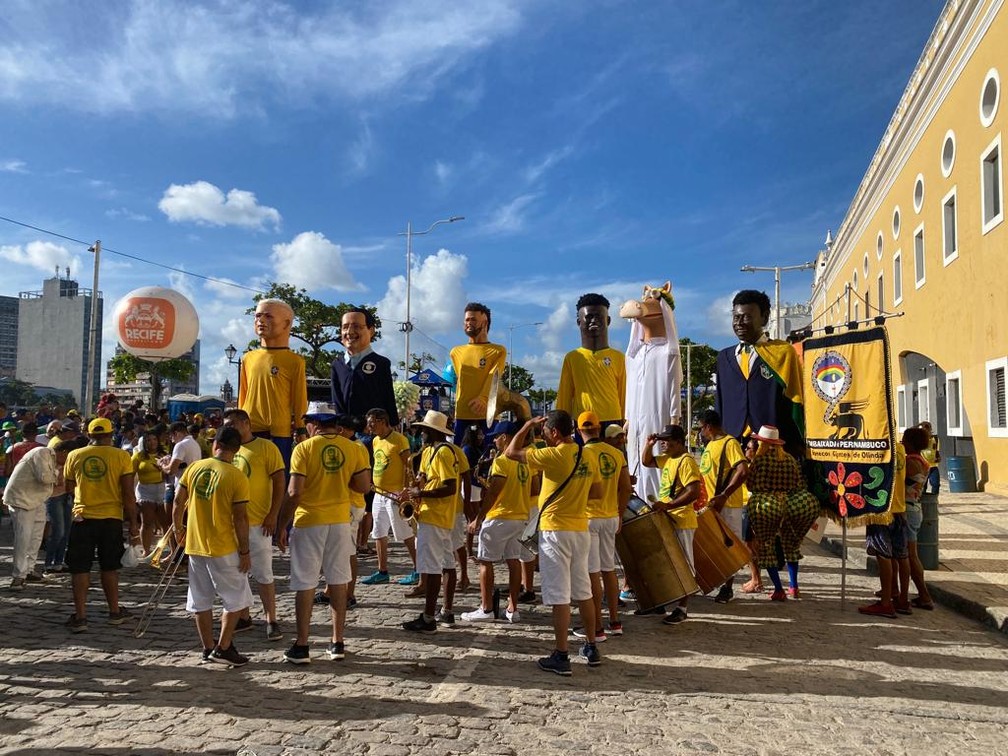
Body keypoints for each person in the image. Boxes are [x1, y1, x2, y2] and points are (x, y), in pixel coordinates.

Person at [505, 411, 602, 676]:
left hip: (556, 530)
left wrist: (526, 426)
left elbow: (511, 453)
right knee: (583, 591)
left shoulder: (554, 455)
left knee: (559, 595)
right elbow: (598, 492)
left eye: (546, 432)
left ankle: (561, 654)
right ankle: (591, 646)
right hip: (580, 528)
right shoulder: (587, 455)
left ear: (555, 432)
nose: (544, 436)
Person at [278, 403, 371, 664]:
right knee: (339, 582)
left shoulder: (303, 448)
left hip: (309, 521)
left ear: (313, 424)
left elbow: (295, 492)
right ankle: (337, 641)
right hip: (340, 520)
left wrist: (280, 525)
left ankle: (302, 644)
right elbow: (363, 486)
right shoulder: (354, 448)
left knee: (306, 583)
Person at [172, 425, 254, 665]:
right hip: (223, 545)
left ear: (215, 445)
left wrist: (178, 530)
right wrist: (245, 550)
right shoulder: (237, 476)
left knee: (200, 600)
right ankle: (224, 647)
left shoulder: (196, 468)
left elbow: (178, 502)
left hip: (195, 544)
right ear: (237, 450)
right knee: (237, 598)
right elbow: (240, 518)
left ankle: (207, 648)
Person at [63, 418, 141, 631]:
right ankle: (114, 611)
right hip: (111, 518)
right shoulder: (121, 456)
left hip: (82, 517)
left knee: (79, 568)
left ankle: (80, 617)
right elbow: (128, 493)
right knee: (110, 566)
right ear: (111, 433)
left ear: (89, 434)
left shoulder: (75, 455)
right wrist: (134, 524)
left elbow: (69, 487)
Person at [714, 290, 804, 458]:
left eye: (747, 317)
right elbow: (719, 401)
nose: (739, 323)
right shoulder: (724, 357)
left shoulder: (782, 353)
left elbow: (794, 399)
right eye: (736, 317)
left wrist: (795, 444)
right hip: (733, 442)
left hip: (772, 442)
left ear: (764, 318)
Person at [461, 420, 534, 624]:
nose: (494, 440)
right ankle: (513, 608)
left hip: (500, 516)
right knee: (513, 561)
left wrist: (479, 517)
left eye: (497, 436)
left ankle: (486, 608)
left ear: (506, 438)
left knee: (485, 561)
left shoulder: (502, 461)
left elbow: (494, 492)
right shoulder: (525, 462)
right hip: (519, 516)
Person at [224, 408, 286, 641]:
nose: (228, 427)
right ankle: (244, 616)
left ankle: (271, 619)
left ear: (245, 423)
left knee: (263, 574)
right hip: (230, 523)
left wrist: (273, 515)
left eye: (231, 423)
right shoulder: (226, 448)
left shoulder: (266, 448)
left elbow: (280, 482)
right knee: (236, 572)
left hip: (259, 522)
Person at [619, 283, 682, 502]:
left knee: (655, 461)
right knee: (636, 459)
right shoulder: (634, 353)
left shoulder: (668, 351)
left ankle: (658, 502)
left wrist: (675, 417)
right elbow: (630, 387)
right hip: (636, 419)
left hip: (659, 416)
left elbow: (674, 385)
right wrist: (628, 417)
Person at [573, 411, 630, 641]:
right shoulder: (616, 453)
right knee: (609, 570)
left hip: (588, 518)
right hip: (610, 516)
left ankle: (596, 626)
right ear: (598, 428)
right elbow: (625, 487)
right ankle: (615, 621)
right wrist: (619, 513)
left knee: (592, 573)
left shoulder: (581, 454)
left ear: (580, 431)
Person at [401, 410, 459, 633]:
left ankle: (428, 617)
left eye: (424, 429)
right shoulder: (429, 452)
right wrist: (412, 488)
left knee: (433, 568)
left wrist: (420, 495)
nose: (420, 432)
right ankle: (441, 612)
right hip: (433, 515)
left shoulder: (444, 452)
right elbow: (424, 478)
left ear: (433, 431)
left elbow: (450, 486)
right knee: (443, 564)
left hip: (436, 516)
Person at [641, 424, 701, 624]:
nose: (663, 443)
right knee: (669, 561)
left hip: (681, 518)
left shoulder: (685, 461)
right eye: (662, 439)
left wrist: (669, 505)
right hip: (669, 516)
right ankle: (665, 601)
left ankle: (682, 607)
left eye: (666, 440)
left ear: (677, 442)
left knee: (683, 563)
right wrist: (649, 444)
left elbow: (693, 491)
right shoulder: (669, 459)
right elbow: (646, 461)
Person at [239, 298, 309, 468]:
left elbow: (299, 399)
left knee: (277, 478)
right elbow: (243, 394)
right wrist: (238, 423)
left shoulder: (295, 361)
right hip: (250, 430)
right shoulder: (248, 358)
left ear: (286, 324)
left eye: (269, 316)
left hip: (279, 432)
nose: (260, 321)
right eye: (257, 316)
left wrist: (301, 429)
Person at [696, 409, 749, 603]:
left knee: (729, 546)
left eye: (701, 428)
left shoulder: (730, 443)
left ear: (708, 427)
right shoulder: (711, 445)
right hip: (712, 506)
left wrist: (724, 495)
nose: (700, 433)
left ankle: (727, 588)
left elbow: (743, 470)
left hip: (728, 505)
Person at [362, 408, 417, 585]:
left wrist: (406, 491)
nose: (369, 427)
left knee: (404, 533)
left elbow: (409, 468)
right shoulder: (376, 441)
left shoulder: (399, 440)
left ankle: (418, 569)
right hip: (379, 493)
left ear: (382, 421)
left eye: (372, 422)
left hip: (395, 495)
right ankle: (382, 570)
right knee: (378, 532)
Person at [5, 441, 71, 588]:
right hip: (21, 499)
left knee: (36, 537)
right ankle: (18, 575)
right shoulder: (42, 453)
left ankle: (29, 569)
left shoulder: (54, 461)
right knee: (24, 538)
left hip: (36, 500)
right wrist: (58, 474)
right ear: (65, 452)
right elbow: (45, 478)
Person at [744, 425, 797, 601]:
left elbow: (749, 484)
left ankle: (778, 589)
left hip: (765, 506)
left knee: (766, 549)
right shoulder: (789, 459)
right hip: (787, 504)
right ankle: (794, 586)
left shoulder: (760, 460)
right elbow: (796, 482)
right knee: (790, 547)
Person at [557, 293, 626, 427]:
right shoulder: (573, 357)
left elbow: (624, 393)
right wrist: (560, 424)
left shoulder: (619, 357)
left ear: (608, 320)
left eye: (599, 316)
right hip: (583, 422)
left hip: (613, 421)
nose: (594, 320)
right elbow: (565, 395)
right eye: (588, 317)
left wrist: (626, 420)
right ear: (579, 322)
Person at [859, 440, 911, 619]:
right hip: (899, 508)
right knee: (902, 555)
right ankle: (903, 599)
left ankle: (886, 602)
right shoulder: (900, 448)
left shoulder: (875, 447)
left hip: (880, 510)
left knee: (884, 556)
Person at [447, 303, 507, 445]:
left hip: (489, 413)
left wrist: (483, 398)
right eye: (466, 320)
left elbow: (494, 375)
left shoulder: (498, 351)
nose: (468, 323)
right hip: (462, 412)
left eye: (473, 319)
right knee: (459, 456)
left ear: (485, 321)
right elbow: (462, 379)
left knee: (489, 457)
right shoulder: (455, 352)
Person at [331, 307, 399, 425]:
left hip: (373, 433)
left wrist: (392, 426)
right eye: (345, 327)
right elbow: (336, 402)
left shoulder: (381, 364)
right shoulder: (337, 365)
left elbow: (388, 400)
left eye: (357, 326)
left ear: (371, 331)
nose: (350, 332)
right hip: (345, 434)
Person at [902, 427, 935, 611]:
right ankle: (922, 595)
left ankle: (924, 595)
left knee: (909, 556)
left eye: (905, 439)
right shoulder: (923, 461)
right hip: (915, 507)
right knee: (911, 555)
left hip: (908, 509)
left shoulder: (910, 462)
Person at [132, 433, 167, 555]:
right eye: (148, 440)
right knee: (147, 522)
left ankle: (162, 550)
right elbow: (130, 475)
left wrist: (163, 469)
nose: (152, 442)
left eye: (154, 439)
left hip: (162, 488)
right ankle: (146, 551)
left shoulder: (165, 454)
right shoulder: (138, 456)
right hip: (145, 490)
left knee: (165, 522)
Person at [919, 421, 941, 495]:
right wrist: (918, 425)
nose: (927, 432)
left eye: (928, 429)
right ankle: (922, 501)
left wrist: (938, 458)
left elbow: (937, 452)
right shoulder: (919, 440)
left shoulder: (935, 439)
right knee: (922, 486)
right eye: (924, 430)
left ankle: (934, 499)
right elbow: (908, 432)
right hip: (922, 467)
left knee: (936, 484)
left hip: (933, 466)